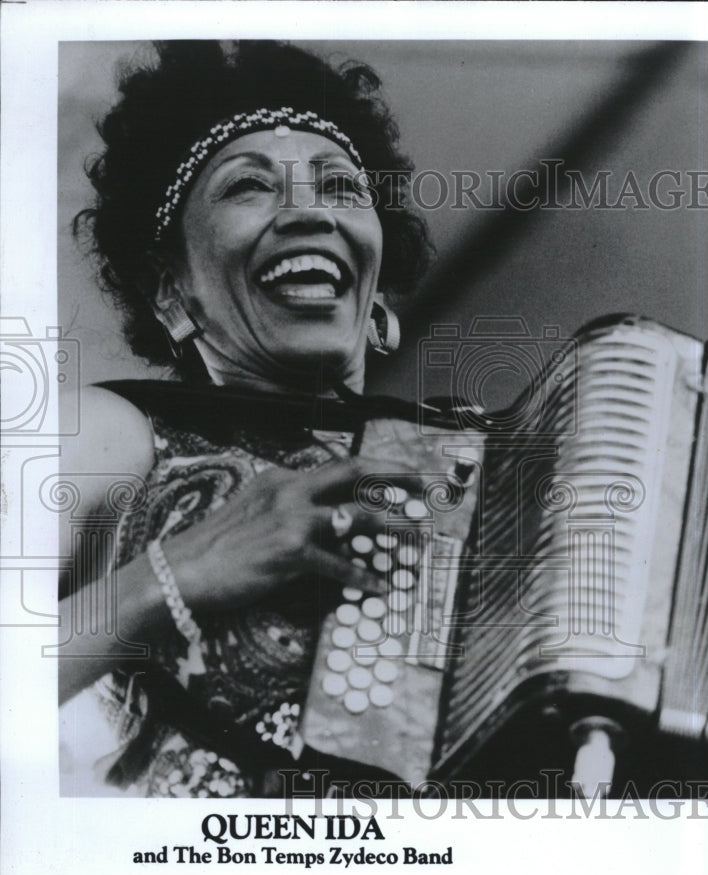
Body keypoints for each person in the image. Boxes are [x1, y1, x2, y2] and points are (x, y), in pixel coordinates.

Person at [58, 40, 434, 798]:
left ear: (375, 296)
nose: (307, 212)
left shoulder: (461, 465)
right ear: (170, 292)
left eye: (339, 187)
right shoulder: (108, 428)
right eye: (248, 188)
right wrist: (174, 573)